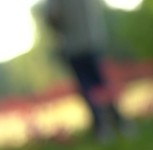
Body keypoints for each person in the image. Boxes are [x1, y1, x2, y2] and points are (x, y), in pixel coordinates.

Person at [45, 0, 133, 142]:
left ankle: (102, 128)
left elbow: (52, 16)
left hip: (73, 45)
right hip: (93, 40)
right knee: (102, 82)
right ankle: (120, 122)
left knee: (87, 87)